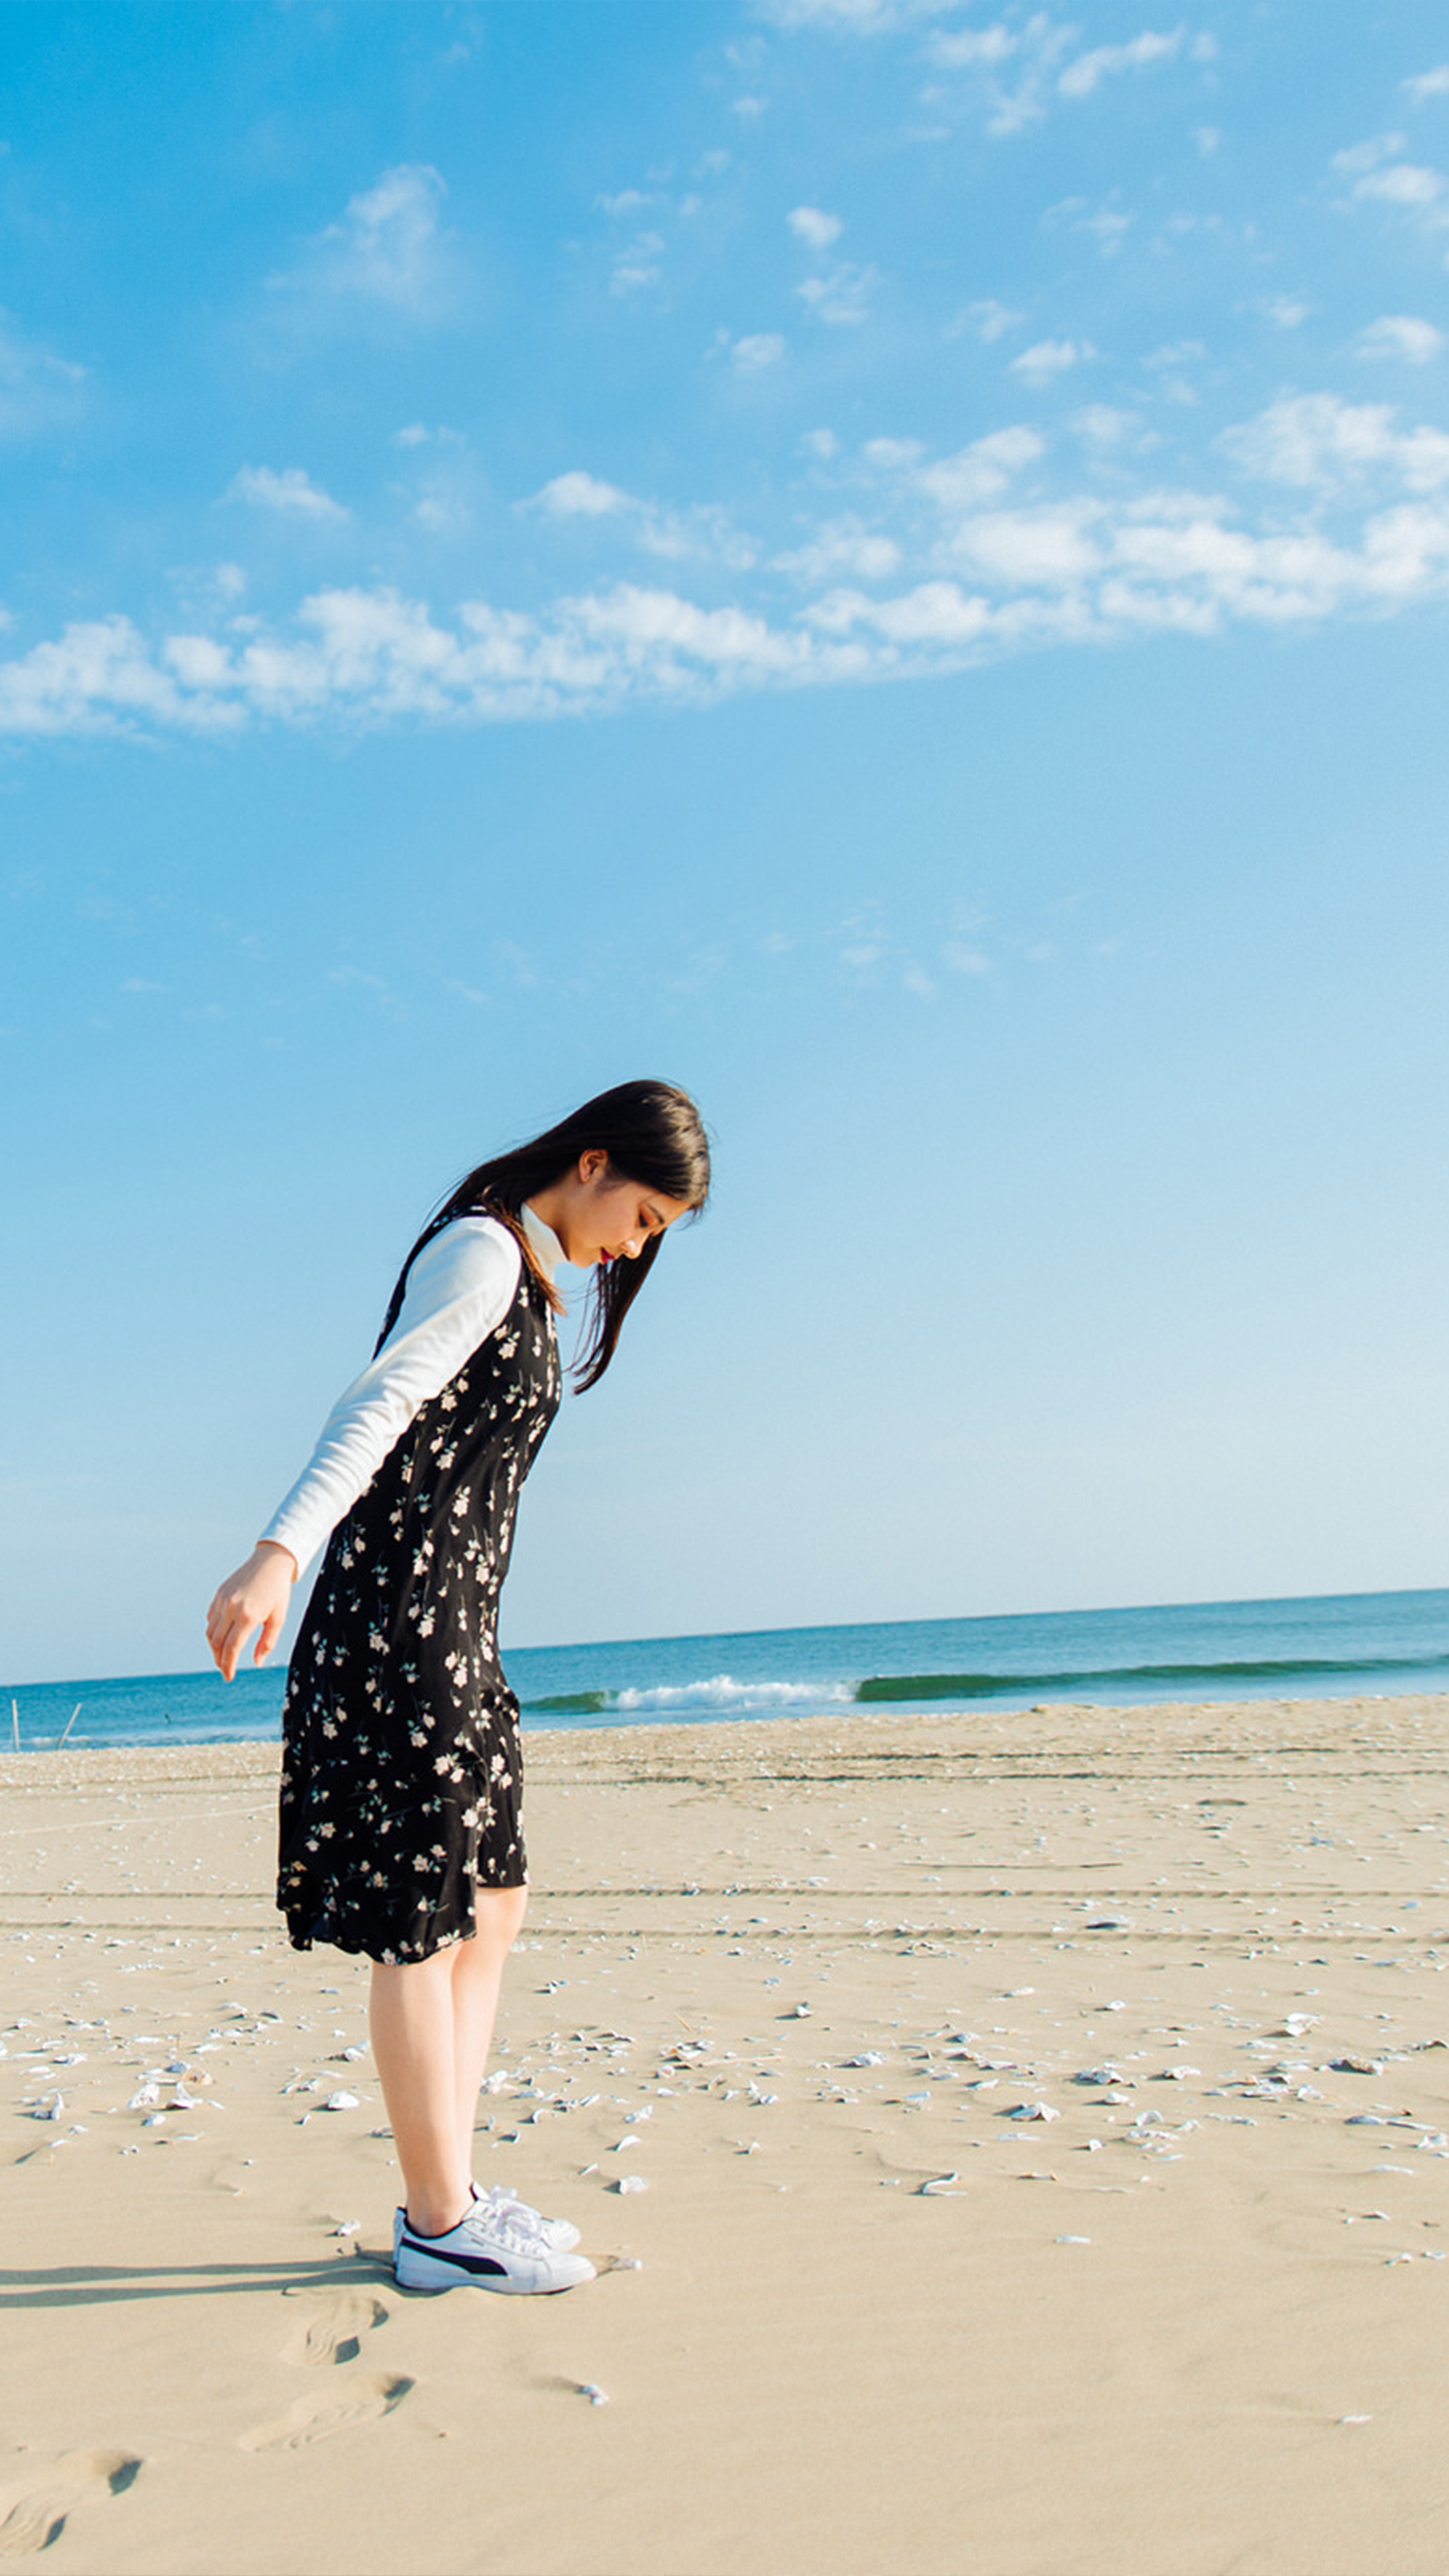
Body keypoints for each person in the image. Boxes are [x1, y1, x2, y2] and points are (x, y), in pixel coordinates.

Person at [205, 1079, 710, 2293]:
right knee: (421, 1928)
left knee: (495, 1905)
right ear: (593, 1163)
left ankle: (456, 2192)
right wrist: (278, 1552)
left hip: (458, 1635)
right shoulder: (482, 1252)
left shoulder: (529, 1271)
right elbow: (376, 1404)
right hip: (398, 1635)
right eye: (643, 1217)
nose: (635, 1246)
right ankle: (438, 2224)